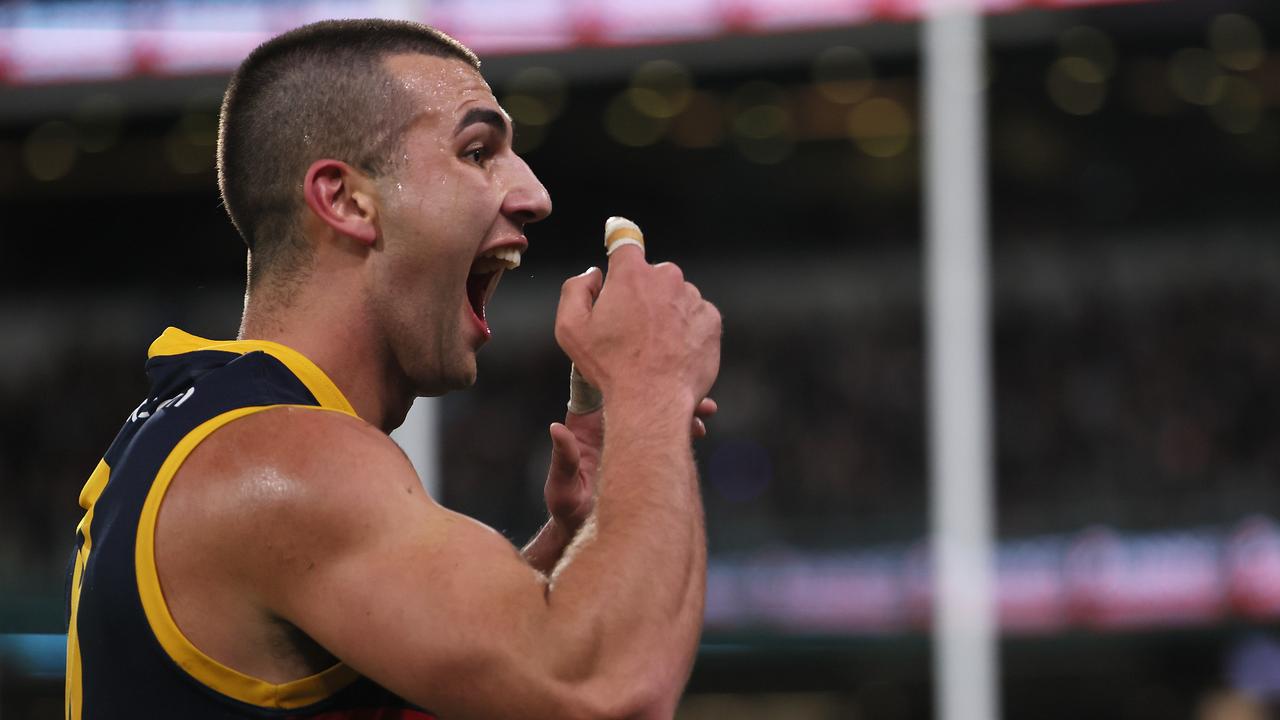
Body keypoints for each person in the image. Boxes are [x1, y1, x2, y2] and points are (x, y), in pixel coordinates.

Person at [64, 18, 721, 720]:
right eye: (476, 151)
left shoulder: (217, 433)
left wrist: (577, 544)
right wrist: (652, 381)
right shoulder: (285, 462)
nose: (534, 194)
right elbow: (605, 693)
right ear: (346, 201)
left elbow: (462, 685)